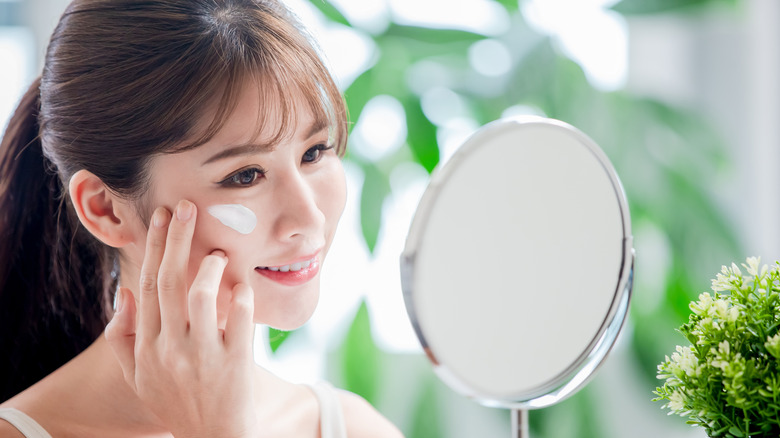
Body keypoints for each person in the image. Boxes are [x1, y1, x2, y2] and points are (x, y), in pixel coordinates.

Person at [0, 0, 403, 436]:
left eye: (314, 152)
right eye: (246, 175)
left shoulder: (349, 426)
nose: (309, 219)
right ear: (105, 208)